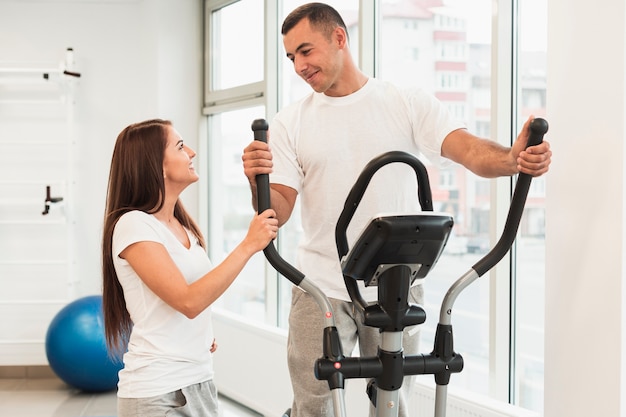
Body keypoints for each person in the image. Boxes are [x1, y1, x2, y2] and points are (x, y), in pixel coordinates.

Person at [241, 3, 552, 417]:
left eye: (305, 51)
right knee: (313, 404)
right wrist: (255, 179)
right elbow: (276, 214)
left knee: (392, 402)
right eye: (291, 57)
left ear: (339, 38)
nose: (299, 65)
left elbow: (470, 151)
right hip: (321, 287)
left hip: (397, 285)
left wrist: (513, 160)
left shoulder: (405, 103)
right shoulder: (289, 123)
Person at [101, 119, 278, 417]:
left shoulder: (183, 226)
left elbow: (192, 297)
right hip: (157, 390)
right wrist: (248, 244)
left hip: (199, 381)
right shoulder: (133, 224)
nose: (192, 152)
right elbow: (188, 301)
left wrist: (196, 333)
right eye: (181, 146)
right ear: (155, 165)